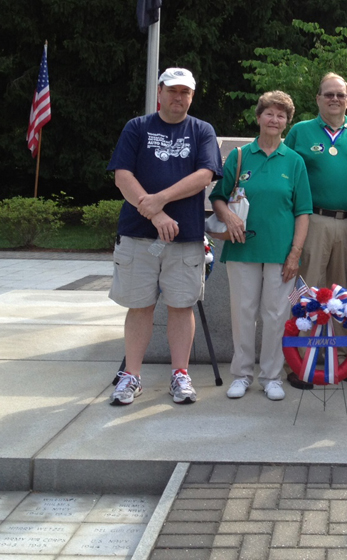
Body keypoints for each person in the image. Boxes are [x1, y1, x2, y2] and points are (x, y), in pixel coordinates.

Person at [107, 67, 223, 406]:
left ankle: (180, 375)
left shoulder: (201, 130)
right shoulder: (137, 127)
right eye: (172, 90)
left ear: (192, 96)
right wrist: (155, 212)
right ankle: (132, 376)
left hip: (185, 237)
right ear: (159, 92)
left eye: (185, 92)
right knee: (139, 306)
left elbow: (204, 174)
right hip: (138, 235)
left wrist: (162, 198)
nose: (178, 97)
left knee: (181, 305)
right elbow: (122, 176)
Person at [209, 91, 312, 401]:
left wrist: (295, 252)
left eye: (281, 115)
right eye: (269, 113)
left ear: (286, 123)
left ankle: (271, 376)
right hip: (243, 248)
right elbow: (217, 196)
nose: (274, 119)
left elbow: (303, 211)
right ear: (258, 117)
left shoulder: (294, 161)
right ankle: (241, 375)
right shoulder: (240, 156)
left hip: (281, 252)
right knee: (242, 312)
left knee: (277, 314)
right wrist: (227, 214)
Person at [284, 73, 347, 389]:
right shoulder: (300, 132)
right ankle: (299, 362)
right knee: (307, 291)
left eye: (340, 94)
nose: (334, 99)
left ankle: (346, 360)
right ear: (318, 99)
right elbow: (288, 175)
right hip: (314, 221)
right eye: (328, 94)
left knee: (346, 292)